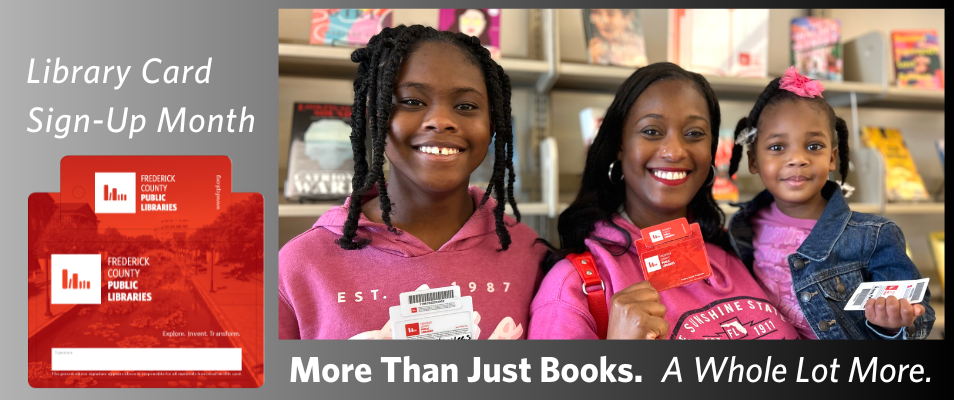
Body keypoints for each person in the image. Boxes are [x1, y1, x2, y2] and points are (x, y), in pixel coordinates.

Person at [278, 25, 544, 340]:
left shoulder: (527, 252)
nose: (441, 120)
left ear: (493, 124)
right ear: (374, 118)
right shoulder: (302, 263)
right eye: (412, 102)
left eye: (466, 106)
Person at [529, 62, 799, 340]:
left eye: (694, 134)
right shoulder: (572, 286)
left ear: (711, 151)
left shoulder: (741, 251)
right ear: (619, 145)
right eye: (651, 131)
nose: (674, 152)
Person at [726, 66, 935, 339]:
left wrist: (895, 322)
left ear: (833, 158)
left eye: (813, 147)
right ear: (753, 160)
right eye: (777, 147)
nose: (797, 159)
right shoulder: (743, 225)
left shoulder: (872, 236)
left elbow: (919, 314)